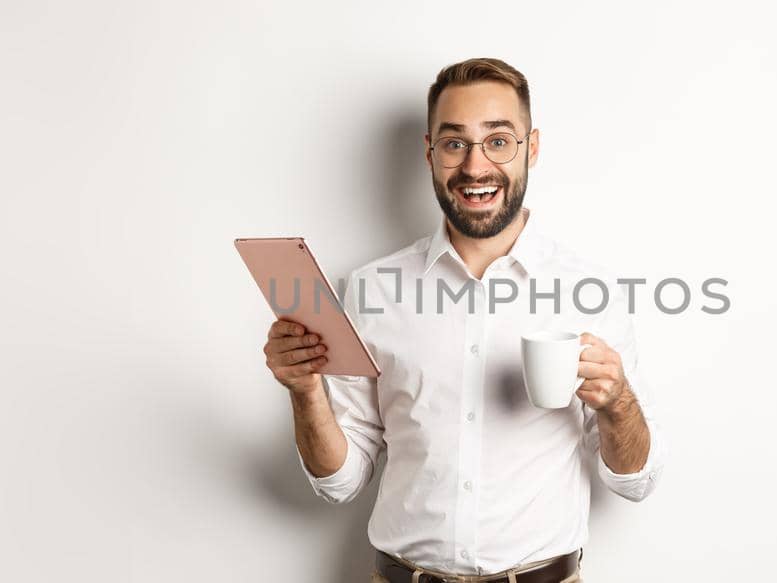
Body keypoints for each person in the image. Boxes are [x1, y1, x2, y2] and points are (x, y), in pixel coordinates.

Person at [261, 57, 667, 583]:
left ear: (532, 148)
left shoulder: (589, 292)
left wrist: (617, 403)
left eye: (498, 141)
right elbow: (339, 482)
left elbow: (635, 481)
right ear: (430, 153)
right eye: (455, 144)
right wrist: (305, 390)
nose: (476, 168)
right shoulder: (370, 289)